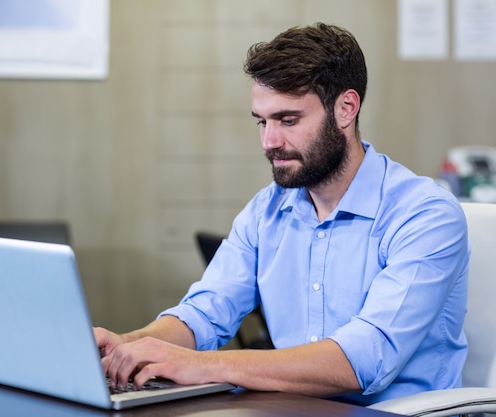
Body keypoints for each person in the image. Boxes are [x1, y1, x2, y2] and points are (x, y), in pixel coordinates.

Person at [94, 22, 469, 406]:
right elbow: (206, 312)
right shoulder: (266, 211)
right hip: (291, 408)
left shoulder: (425, 215)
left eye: (288, 120)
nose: (269, 142)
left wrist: (204, 365)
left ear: (346, 108)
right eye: (262, 121)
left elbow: (366, 357)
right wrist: (129, 344)